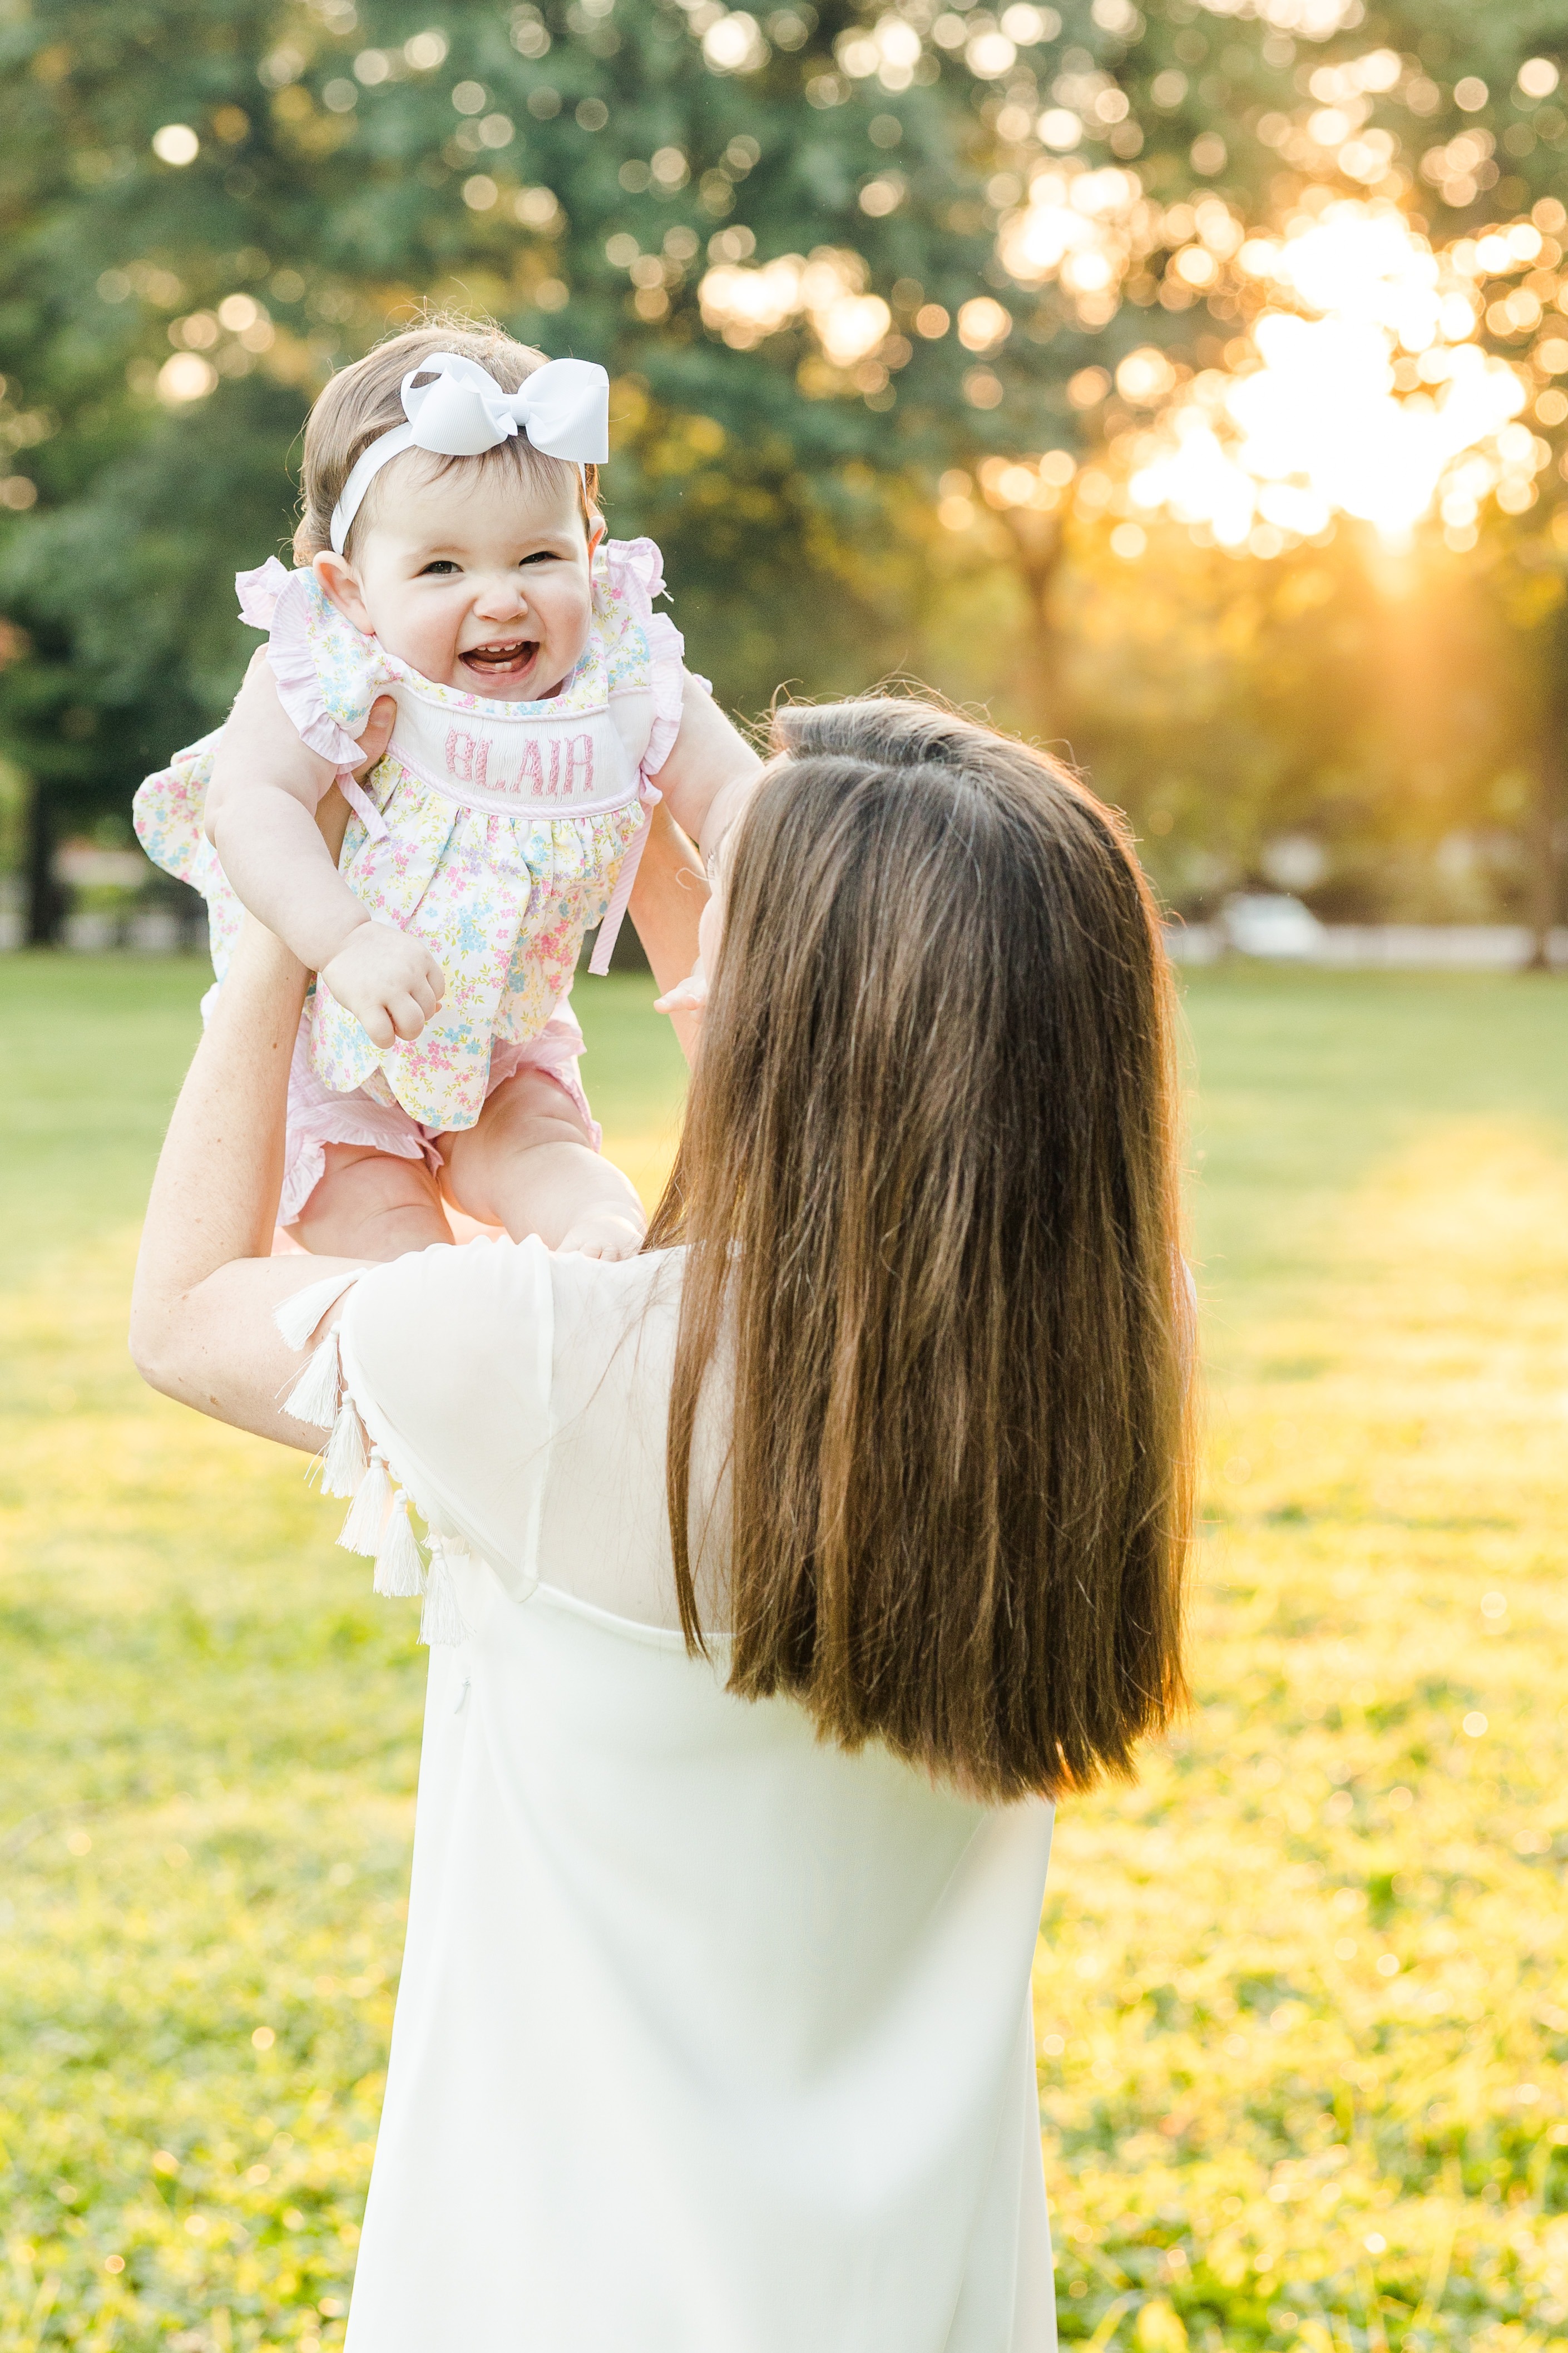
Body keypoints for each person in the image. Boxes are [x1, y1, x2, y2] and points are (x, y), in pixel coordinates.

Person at [130, 695, 1195, 2352]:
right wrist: (640, 774)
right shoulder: (1104, 1353)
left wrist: (288, 923)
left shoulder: (558, 1362)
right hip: (916, 2304)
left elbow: (191, 1309)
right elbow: (863, 1140)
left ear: (783, 1020)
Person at [133, 319, 755, 1262]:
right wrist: (344, 939)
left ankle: (602, 1251)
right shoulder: (330, 661)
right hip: (338, 1043)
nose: (501, 598)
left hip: (503, 1039)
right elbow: (247, 805)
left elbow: (738, 796)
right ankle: (442, 1324)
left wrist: (754, 895)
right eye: (443, 568)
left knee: (548, 1149)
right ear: (350, 587)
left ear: (591, 546)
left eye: (538, 558)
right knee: (387, 1235)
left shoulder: (621, 666)